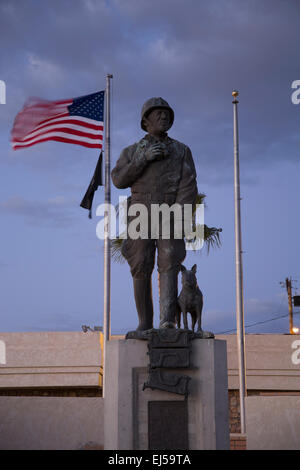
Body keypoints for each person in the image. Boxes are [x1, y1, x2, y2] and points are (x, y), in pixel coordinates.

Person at [111, 97, 198, 331]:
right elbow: (118, 179)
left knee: (169, 261)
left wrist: (179, 215)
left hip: (171, 210)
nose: (163, 117)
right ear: (146, 120)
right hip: (140, 212)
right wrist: (143, 159)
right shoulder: (132, 151)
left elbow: (188, 186)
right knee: (140, 263)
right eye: (158, 113)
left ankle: (167, 320)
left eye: (167, 114)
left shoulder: (181, 150)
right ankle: (144, 323)